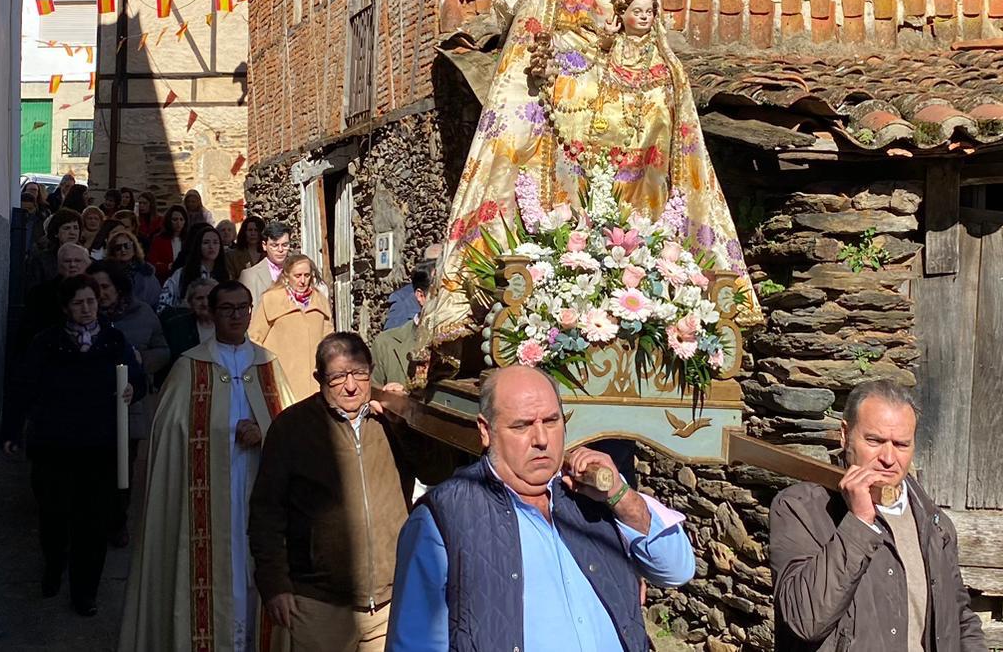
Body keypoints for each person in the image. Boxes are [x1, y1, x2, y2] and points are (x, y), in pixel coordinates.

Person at [417, 0, 760, 360]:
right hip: (559, 127)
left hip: (614, 127)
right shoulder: (544, 1)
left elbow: (643, 52)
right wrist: (550, 68)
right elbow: (522, 64)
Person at [388, 365, 693, 651]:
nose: (542, 439)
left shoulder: (591, 492)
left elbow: (676, 570)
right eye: (522, 426)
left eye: (551, 421)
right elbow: (415, 642)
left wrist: (621, 496)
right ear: (485, 430)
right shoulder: (442, 517)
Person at [119, 281, 293, 652]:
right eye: (227, 308)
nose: (236, 315)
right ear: (212, 314)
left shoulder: (268, 363)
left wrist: (264, 431)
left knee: (250, 572)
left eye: (243, 307)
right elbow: (169, 434)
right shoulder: (189, 366)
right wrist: (223, 434)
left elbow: (288, 429)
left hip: (255, 491)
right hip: (204, 501)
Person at [770, 380, 986, 652]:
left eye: (901, 444)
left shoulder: (934, 523)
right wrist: (859, 523)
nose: (888, 457)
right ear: (844, 435)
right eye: (874, 440)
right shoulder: (801, 508)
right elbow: (805, 621)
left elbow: (959, 619)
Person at [249, 333, 412, 651]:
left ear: (372, 369)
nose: (351, 386)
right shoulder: (292, 428)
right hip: (320, 603)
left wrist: (406, 415)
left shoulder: (388, 420)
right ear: (319, 378)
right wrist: (274, 585)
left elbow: (435, 470)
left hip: (391, 600)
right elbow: (266, 513)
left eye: (359, 373)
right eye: (338, 377)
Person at [1, 275, 144, 617]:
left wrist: (132, 389)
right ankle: (53, 566)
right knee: (54, 516)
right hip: (55, 445)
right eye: (78, 303)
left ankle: (85, 592)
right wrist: (11, 430)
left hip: (100, 446)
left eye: (91, 302)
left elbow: (135, 376)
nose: (86, 309)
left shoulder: (113, 340)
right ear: (66, 307)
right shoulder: (47, 343)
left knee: (93, 523)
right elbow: (23, 385)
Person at [88, 260, 171, 546]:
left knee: (124, 465)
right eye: (95, 287)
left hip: (130, 404)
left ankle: (117, 520)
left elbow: (162, 349)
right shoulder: (84, 316)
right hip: (92, 406)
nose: (101, 293)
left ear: (118, 287)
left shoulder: (142, 313)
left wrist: (142, 361)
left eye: (105, 287)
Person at [248, 252, 333, 400]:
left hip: (314, 381)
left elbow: (329, 342)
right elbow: (254, 338)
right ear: (286, 276)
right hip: (281, 379)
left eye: (307, 275)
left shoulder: (320, 301)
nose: (302, 281)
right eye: (297, 275)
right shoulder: (271, 299)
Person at [372, 262, 432, 390]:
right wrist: (392, 398)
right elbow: (370, 398)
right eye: (441, 292)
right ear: (421, 296)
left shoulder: (471, 346)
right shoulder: (386, 344)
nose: (451, 300)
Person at [22, 242, 92, 340]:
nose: (72, 265)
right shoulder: (40, 294)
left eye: (78, 260)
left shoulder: (96, 291)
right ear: (58, 265)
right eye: (67, 261)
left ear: (87, 264)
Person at [160, 223, 232, 311]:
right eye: (206, 242)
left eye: (215, 242)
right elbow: (163, 305)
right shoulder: (182, 273)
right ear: (198, 246)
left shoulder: (225, 273)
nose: (211, 247)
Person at [382, 244, 442, 331]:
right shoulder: (403, 300)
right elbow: (391, 339)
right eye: (431, 263)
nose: (436, 268)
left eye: (440, 263)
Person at [104, 226, 162, 310]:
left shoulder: (146, 272)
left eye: (126, 245)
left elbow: (155, 299)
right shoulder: (107, 273)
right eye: (118, 248)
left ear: (134, 247)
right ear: (113, 252)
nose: (123, 250)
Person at [25, 209, 83, 289]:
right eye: (67, 228)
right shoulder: (41, 261)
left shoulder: (87, 261)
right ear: (56, 233)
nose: (72, 232)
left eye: (76, 228)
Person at [239, 221, 293, 304]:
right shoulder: (250, 276)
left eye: (285, 245)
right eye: (274, 245)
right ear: (264, 245)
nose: (280, 250)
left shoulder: (299, 272)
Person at [147, 205, 189, 281]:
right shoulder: (159, 239)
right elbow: (151, 263)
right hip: (165, 279)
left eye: (181, 219)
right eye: (175, 219)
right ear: (169, 220)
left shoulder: (189, 240)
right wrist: (167, 267)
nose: (178, 223)